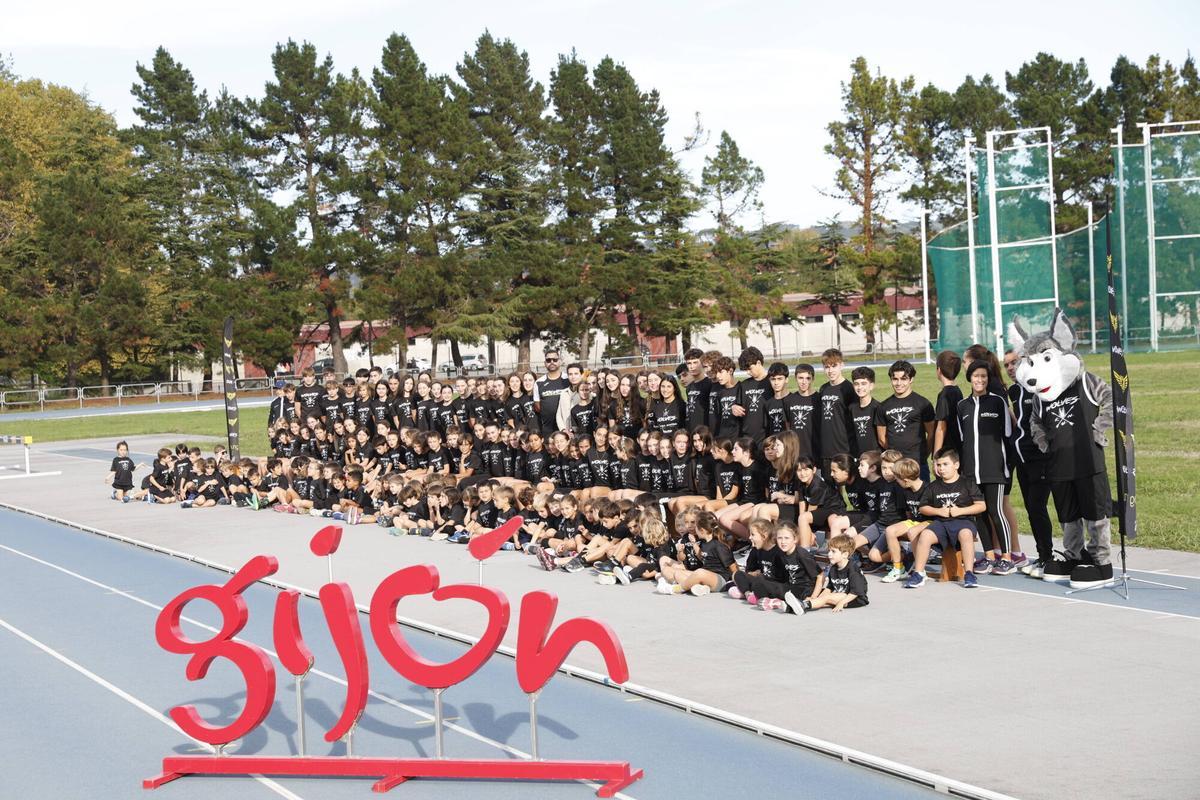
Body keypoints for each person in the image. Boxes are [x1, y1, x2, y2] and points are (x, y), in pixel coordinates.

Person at [957, 360, 1016, 576]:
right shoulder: (962, 406)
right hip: (972, 472)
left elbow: (1008, 435)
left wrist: (1004, 466)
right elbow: (964, 439)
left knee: (995, 510)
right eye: (975, 376)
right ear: (969, 378)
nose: (979, 380)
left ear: (988, 379)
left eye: (983, 376)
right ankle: (989, 555)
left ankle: (1007, 557)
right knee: (979, 514)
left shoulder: (998, 402)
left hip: (995, 469)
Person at [904, 449, 987, 589]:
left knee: (965, 534)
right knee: (925, 534)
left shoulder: (967, 483)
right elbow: (923, 507)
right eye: (939, 465)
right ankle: (919, 573)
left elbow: (981, 506)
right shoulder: (933, 486)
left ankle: (969, 573)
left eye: (945, 464)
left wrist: (960, 511)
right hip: (941, 523)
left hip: (963, 521)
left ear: (956, 465)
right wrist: (938, 511)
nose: (941, 468)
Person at [1004, 348, 1053, 577]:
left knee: (1038, 506)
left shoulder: (1040, 386)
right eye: (1006, 365)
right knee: (1032, 509)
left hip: (1041, 457)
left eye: (1014, 362)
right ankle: (1043, 556)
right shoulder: (1013, 390)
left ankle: (1050, 556)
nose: (1010, 368)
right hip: (1021, 458)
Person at [874, 360, 935, 479]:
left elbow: (932, 434)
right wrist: (895, 457)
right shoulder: (883, 406)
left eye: (903, 378)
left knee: (921, 496)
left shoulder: (923, 403)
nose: (898, 383)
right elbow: (882, 439)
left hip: (917, 464)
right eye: (895, 379)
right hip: (894, 466)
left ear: (911, 379)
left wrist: (922, 455)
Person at [655, 510, 736, 596]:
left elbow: (733, 566)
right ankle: (697, 588)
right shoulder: (705, 544)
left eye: (696, 527)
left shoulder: (718, 545)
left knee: (700, 572)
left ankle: (676, 589)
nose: (693, 529)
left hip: (720, 580)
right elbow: (702, 558)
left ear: (701, 530)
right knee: (678, 573)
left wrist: (736, 582)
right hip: (706, 577)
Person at [787, 534, 868, 614]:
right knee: (822, 599)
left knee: (827, 598)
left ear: (845, 554)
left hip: (854, 598)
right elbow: (830, 587)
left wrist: (842, 603)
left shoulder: (853, 570)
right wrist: (816, 598)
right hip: (840, 595)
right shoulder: (833, 568)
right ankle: (794, 607)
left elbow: (856, 592)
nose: (829, 554)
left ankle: (803, 605)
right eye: (829, 550)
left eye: (833, 551)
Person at [817, 349, 856, 475]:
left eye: (834, 366)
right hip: (826, 448)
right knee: (829, 489)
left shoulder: (849, 388)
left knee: (846, 485)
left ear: (842, 365)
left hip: (843, 447)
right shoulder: (823, 388)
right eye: (827, 367)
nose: (830, 370)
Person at [731, 347, 770, 442]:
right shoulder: (744, 385)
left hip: (767, 436)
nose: (748, 372)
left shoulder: (772, 382)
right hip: (748, 438)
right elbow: (738, 407)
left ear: (759, 363)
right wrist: (734, 408)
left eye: (750, 369)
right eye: (746, 370)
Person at [932, 350, 964, 456]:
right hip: (958, 446)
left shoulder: (944, 395)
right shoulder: (957, 391)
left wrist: (937, 455)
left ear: (939, 370)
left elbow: (941, 428)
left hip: (947, 450)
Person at [849, 366, 881, 456]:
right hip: (859, 458)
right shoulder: (851, 409)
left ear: (871, 386)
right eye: (856, 384)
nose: (860, 387)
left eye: (863, 383)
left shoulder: (878, 407)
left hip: (876, 458)